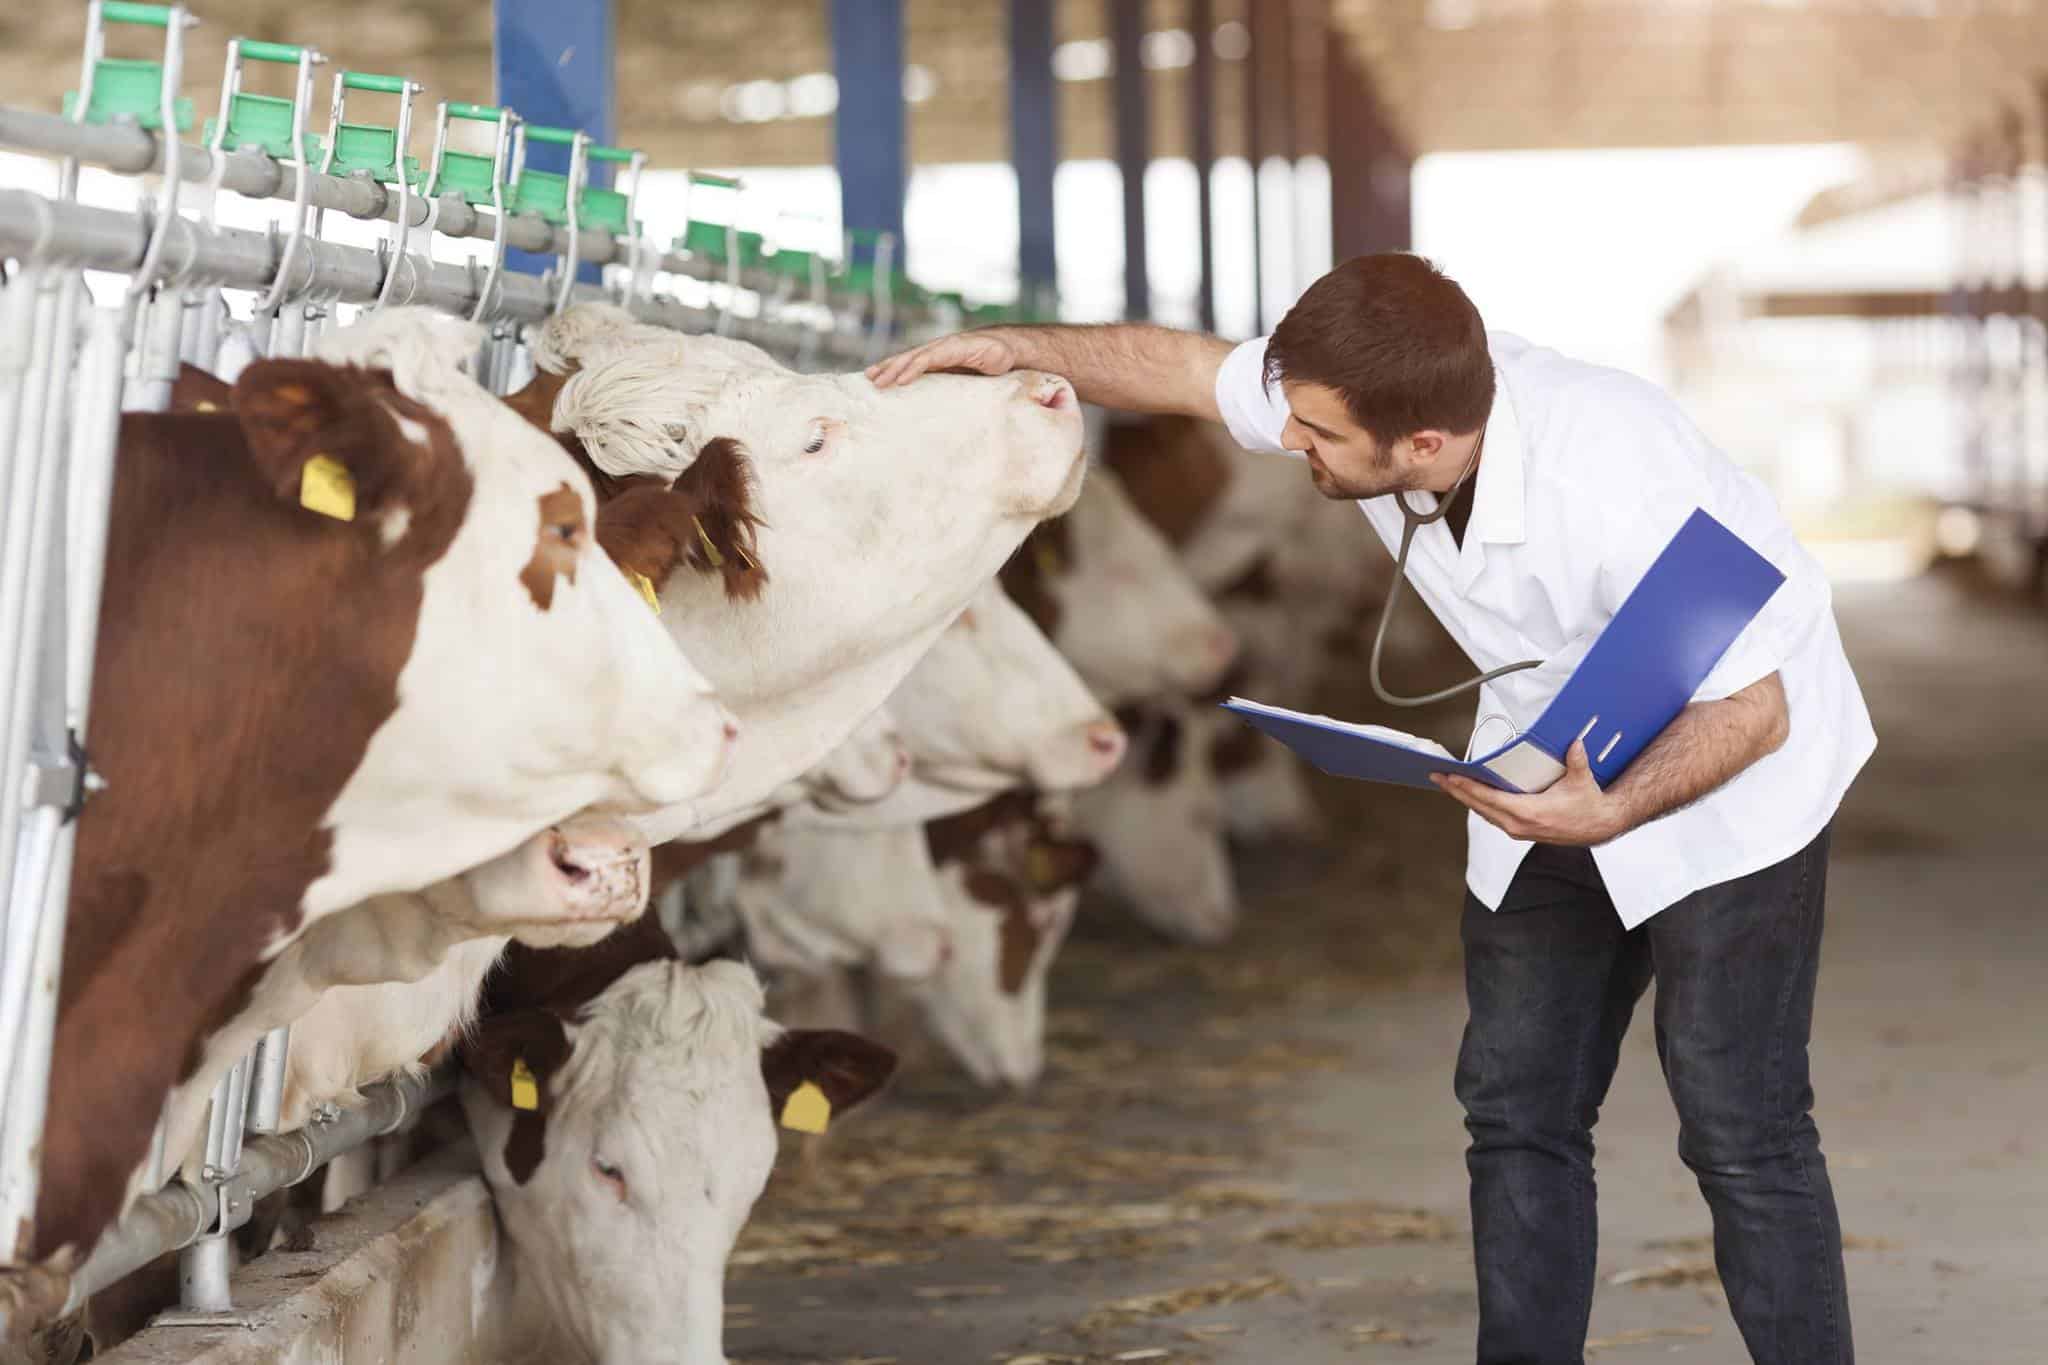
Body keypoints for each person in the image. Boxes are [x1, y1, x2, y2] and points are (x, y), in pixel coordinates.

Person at [869, 253, 1873, 1365]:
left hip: (1722, 785)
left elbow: (1754, 706)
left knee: (1739, 1125)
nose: (1286, 442)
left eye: (1315, 436)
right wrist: (1018, 351)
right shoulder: (1366, 390)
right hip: (1543, 758)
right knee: (1514, 1106)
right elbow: (1176, 368)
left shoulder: (1615, 472)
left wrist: (1617, 810)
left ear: (1424, 445)